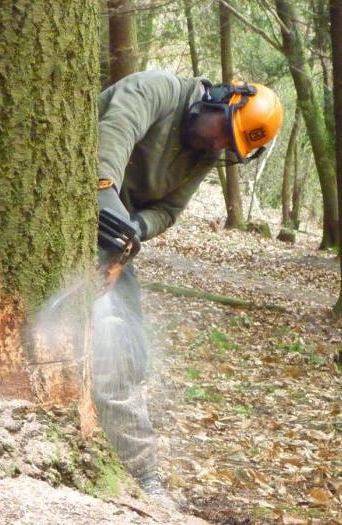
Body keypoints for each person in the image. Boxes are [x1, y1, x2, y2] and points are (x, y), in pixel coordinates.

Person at [93, 70, 283, 497]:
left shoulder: (202, 156)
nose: (219, 145)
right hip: (85, 207)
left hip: (111, 234)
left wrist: (137, 226)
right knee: (108, 339)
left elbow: (171, 209)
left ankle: (132, 467)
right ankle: (141, 474)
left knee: (129, 348)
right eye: (223, 133)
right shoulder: (157, 90)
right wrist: (105, 195)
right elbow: (114, 132)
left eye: (229, 147)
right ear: (220, 100)